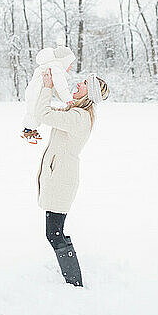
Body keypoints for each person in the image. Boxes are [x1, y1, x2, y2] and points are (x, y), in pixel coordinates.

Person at [34, 69, 109, 287]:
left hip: (61, 179)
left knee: (54, 233)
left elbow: (44, 114)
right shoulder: (75, 112)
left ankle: (75, 282)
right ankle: (72, 278)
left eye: (84, 83)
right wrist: (55, 80)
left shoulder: (78, 117)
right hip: (59, 176)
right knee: (54, 231)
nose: (79, 84)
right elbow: (62, 102)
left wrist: (48, 88)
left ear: (89, 93)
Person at [21, 44, 75, 144]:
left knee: (32, 110)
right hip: (37, 92)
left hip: (33, 91)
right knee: (34, 111)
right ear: (64, 61)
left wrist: (65, 100)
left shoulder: (48, 66)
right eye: (70, 63)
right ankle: (28, 132)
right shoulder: (56, 68)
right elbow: (61, 86)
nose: (71, 66)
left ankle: (29, 130)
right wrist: (68, 99)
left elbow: (55, 89)